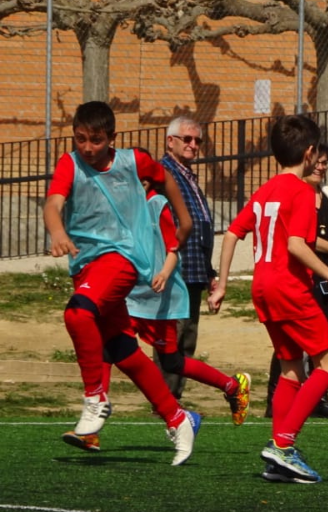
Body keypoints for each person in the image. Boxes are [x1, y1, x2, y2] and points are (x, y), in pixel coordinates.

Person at [43, 101, 201, 465]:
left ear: (112, 138)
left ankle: (95, 398)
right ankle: (178, 420)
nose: (87, 147)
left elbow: (166, 178)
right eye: (80, 139)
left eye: (95, 140)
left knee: (77, 315)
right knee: (124, 351)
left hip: (123, 258)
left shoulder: (134, 161)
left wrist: (184, 220)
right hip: (86, 265)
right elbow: (52, 203)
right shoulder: (70, 163)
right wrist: (57, 232)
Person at [208, 116, 328, 484]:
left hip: (262, 287)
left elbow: (231, 234)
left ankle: (279, 457)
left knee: (292, 369)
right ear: (310, 153)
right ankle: (283, 444)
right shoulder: (302, 193)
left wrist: (223, 284)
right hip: (288, 288)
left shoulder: (265, 190)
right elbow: (296, 246)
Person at [62, 167, 252, 452]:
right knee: (108, 348)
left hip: (158, 297)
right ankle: (94, 426)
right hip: (131, 294)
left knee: (172, 362)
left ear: (145, 182)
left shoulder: (157, 205)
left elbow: (173, 248)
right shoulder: (124, 207)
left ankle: (230, 387)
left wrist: (163, 272)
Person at [264, 144, 328, 419]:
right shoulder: (294, 193)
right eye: (318, 161)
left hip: (325, 284)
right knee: (292, 352)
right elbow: (300, 242)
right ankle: (278, 409)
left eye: (325, 163)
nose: (321, 167)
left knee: (322, 346)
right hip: (296, 281)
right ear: (306, 159)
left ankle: (316, 401)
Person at [157, 115, 217, 399]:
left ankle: (174, 399)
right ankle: (164, 400)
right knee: (171, 338)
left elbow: (200, 226)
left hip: (194, 271)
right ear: (171, 142)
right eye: (188, 139)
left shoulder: (188, 176)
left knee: (187, 340)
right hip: (174, 270)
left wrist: (210, 271)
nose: (194, 145)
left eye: (198, 141)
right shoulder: (163, 173)